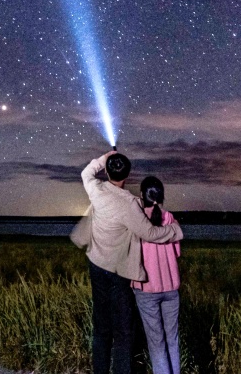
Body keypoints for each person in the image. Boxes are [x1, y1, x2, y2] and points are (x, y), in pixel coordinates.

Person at [71, 151, 183, 374]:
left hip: (96, 265)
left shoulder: (96, 189)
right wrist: (174, 230)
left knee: (101, 326)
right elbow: (150, 232)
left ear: (107, 171)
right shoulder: (130, 203)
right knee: (123, 330)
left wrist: (105, 157)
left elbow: (86, 172)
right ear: (127, 175)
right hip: (119, 271)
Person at [132, 175, 181, 374]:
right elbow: (176, 252)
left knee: (156, 343)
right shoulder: (170, 218)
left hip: (146, 288)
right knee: (172, 340)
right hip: (171, 288)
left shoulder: (138, 221)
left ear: (142, 195)